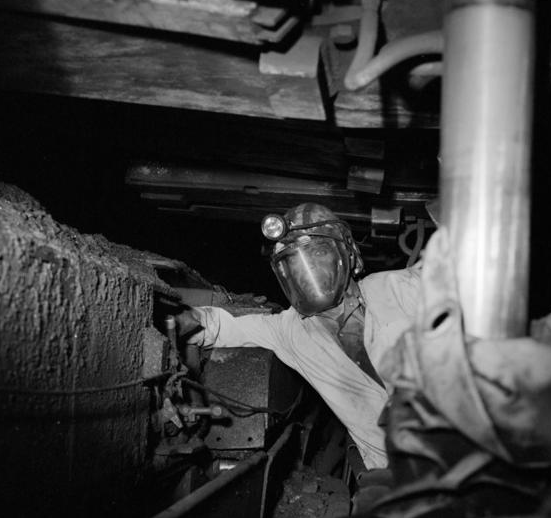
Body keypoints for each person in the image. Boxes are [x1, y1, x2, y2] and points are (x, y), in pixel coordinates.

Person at [180, 202, 422, 471]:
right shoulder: (291, 331)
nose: (307, 269)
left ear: (349, 253)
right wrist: (185, 317)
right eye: (292, 262)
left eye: (319, 251)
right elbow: (222, 327)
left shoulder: (402, 288)